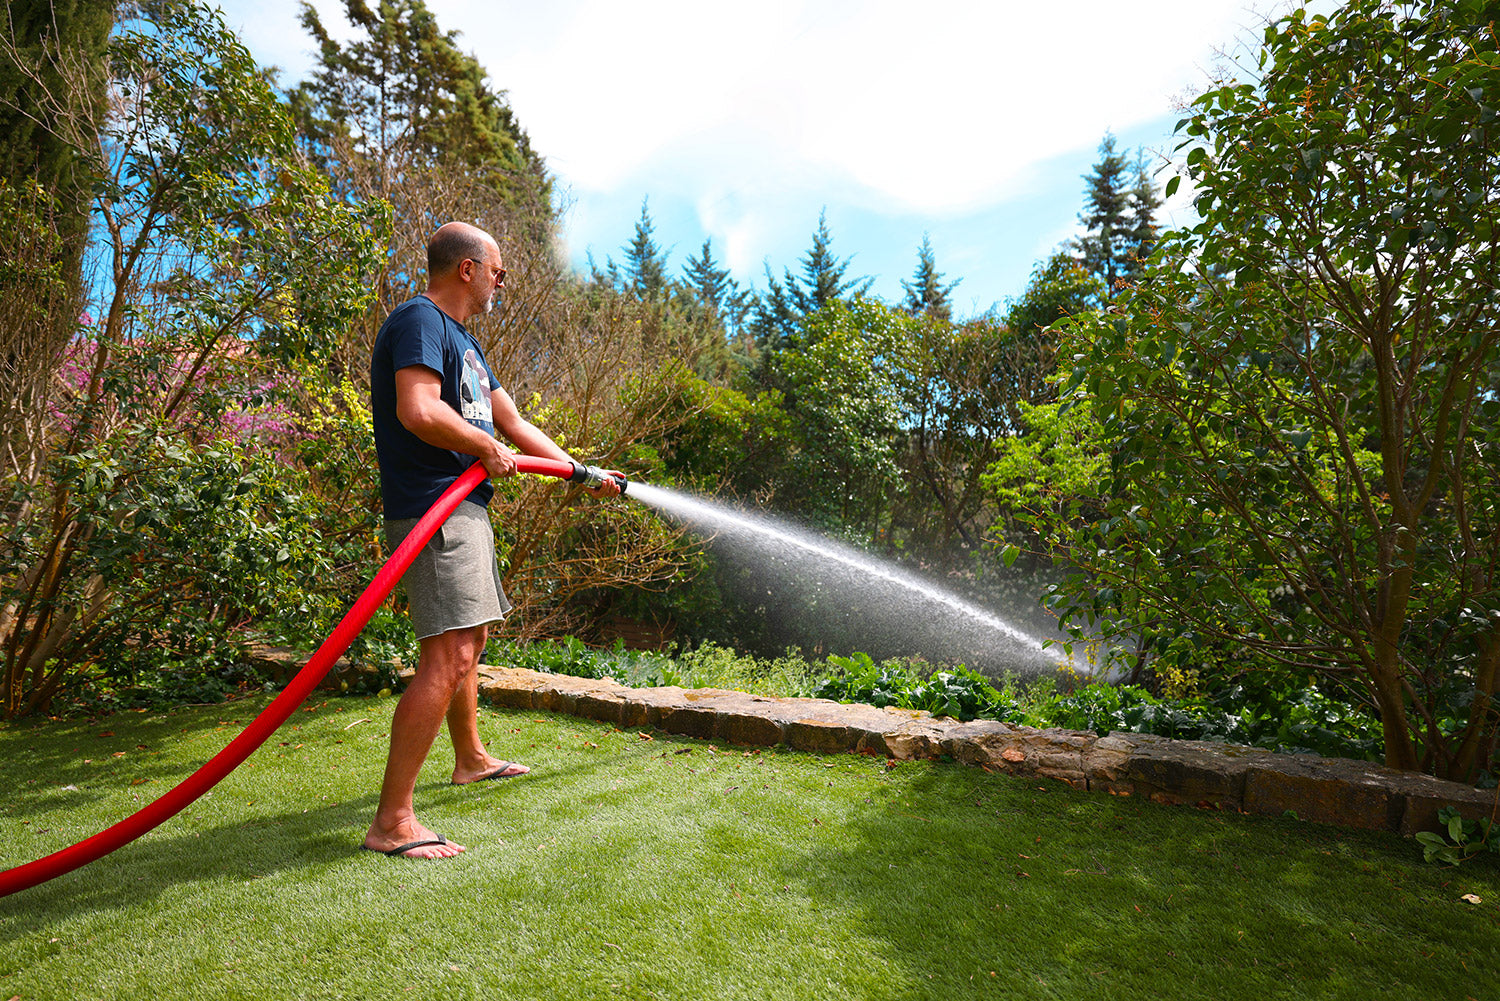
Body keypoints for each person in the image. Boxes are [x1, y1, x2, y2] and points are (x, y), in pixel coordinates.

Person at [364, 221, 620, 859]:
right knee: (446, 654)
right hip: (434, 508)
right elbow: (417, 410)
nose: (503, 281)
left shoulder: (466, 346)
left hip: (462, 509)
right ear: (467, 269)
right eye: (498, 270)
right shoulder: (419, 321)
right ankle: (392, 821)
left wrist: (579, 473)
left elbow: (511, 421)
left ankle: (471, 757)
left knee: (469, 639)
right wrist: (482, 447)